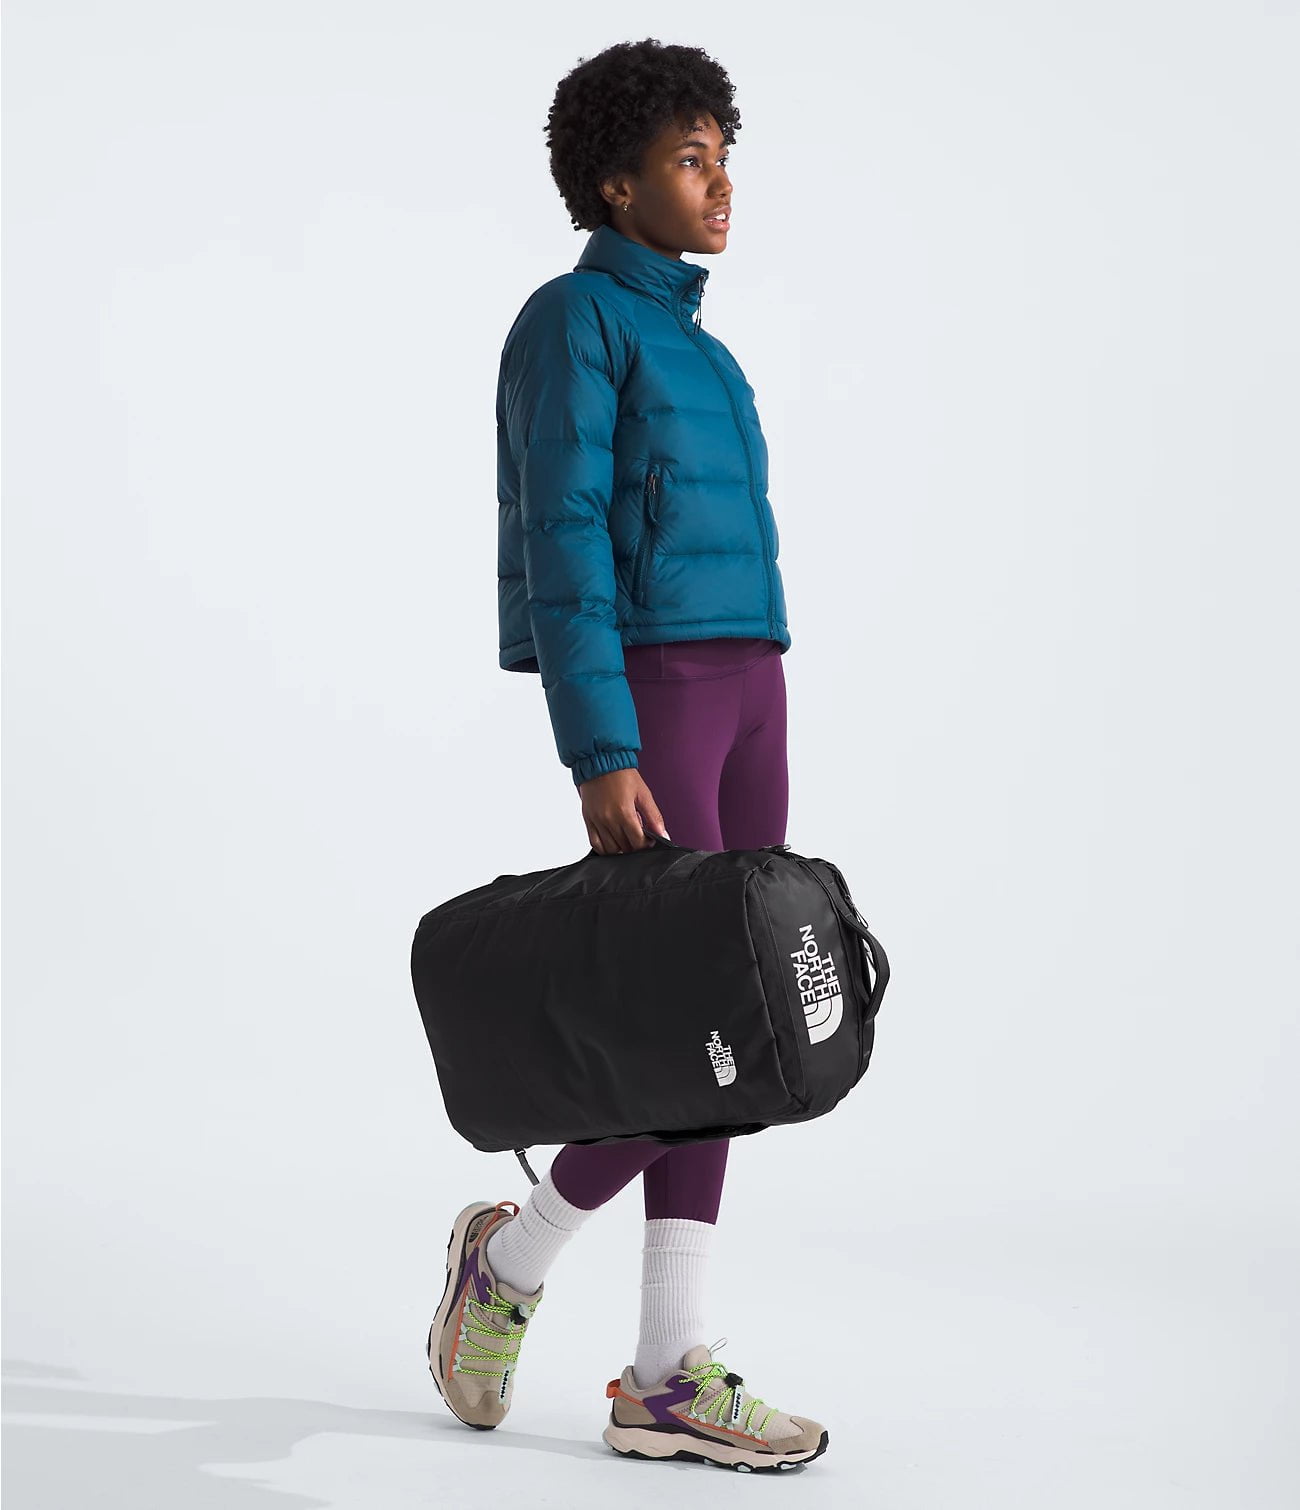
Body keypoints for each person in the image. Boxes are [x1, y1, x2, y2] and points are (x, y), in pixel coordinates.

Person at [427, 38, 827, 1473]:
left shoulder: (706, 349)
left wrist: (759, 686)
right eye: (688, 159)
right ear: (615, 181)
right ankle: (514, 1264)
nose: (720, 184)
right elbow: (564, 537)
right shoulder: (571, 322)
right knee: (681, 1020)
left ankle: (664, 1370)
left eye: (725, 155)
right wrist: (599, 743)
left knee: (743, 1026)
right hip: (657, 695)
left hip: (752, 685)